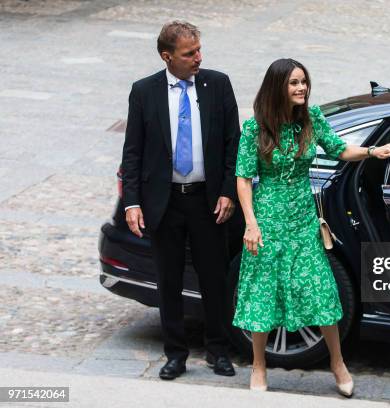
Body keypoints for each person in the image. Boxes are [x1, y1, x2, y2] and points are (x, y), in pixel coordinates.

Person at [232, 58, 390, 396]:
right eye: (294, 83)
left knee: (321, 289)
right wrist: (251, 223)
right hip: (266, 218)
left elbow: (339, 150)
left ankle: (338, 364)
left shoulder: (311, 119)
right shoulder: (256, 127)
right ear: (278, 87)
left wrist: (373, 150)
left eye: (304, 82)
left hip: (302, 219)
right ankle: (259, 365)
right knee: (264, 292)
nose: (301, 88)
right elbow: (243, 178)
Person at [121, 21, 240, 380]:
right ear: (166, 56)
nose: (198, 58)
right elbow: (133, 152)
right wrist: (131, 202)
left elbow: (233, 143)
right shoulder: (144, 92)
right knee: (168, 280)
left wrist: (227, 191)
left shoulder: (217, 84)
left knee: (214, 278)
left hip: (207, 200)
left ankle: (218, 351)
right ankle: (175, 354)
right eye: (190, 54)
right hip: (165, 201)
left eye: (199, 50)